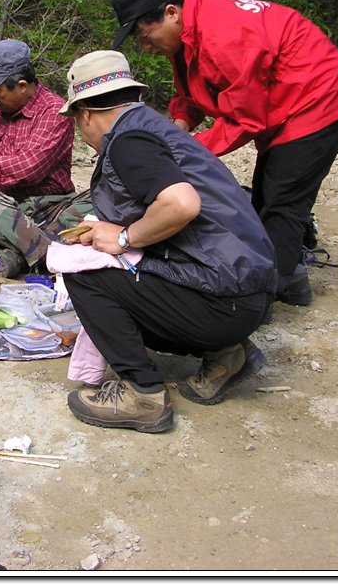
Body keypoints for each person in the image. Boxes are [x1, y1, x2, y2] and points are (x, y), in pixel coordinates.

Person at [110, 0, 338, 307]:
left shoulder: (224, 36)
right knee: (267, 195)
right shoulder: (187, 31)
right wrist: (177, 128)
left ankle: (263, 296)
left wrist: (186, 150)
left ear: (170, 12)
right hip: (282, 99)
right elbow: (190, 94)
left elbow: (247, 119)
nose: (143, 45)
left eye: (143, 35)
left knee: (281, 201)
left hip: (316, 97)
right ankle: (292, 272)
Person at [58, 51, 277, 433]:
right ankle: (228, 353)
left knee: (84, 272)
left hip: (223, 300)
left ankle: (142, 394)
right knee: (121, 270)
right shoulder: (154, 127)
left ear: (86, 114)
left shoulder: (129, 142)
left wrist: (124, 238)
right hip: (247, 294)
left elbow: (181, 203)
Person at [0, 39, 94, 278]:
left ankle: (29, 253)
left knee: (100, 196)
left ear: (21, 86)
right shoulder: (0, 109)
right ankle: (48, 254)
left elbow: (27, 167)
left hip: (52, 207)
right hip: (4, 209)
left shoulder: (55, 112)